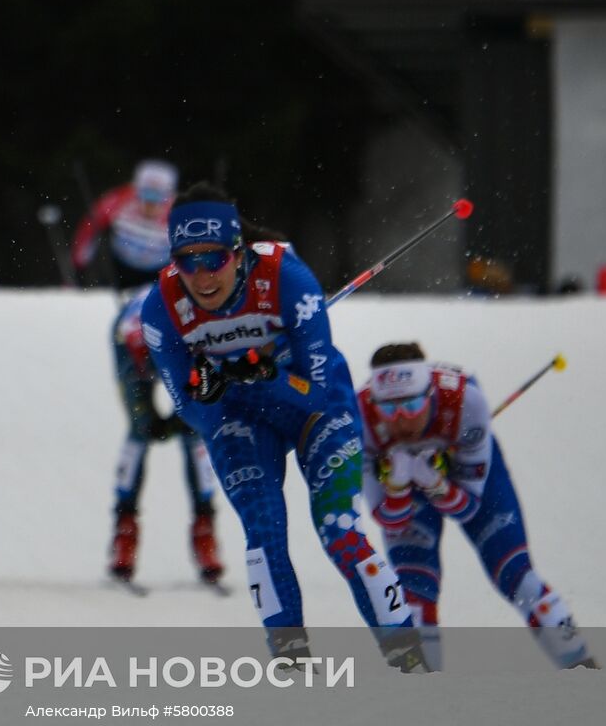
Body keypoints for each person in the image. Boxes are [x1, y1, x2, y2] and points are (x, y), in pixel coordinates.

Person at [140, 182, 422, 666]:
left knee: (340, 529)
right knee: (264, 528)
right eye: (187, 262)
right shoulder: (161, 309)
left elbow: (313, 392)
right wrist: (208, 394)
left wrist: (268, 376)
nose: (202, 277)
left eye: (215, 260)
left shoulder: (288, 280)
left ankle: (408, 655)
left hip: (315, 406)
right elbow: (188, 409)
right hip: (240, 416)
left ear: (238, 251)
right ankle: (291, 659)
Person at [358, 343, 597, 670]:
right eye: (389, 409)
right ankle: (421, 695)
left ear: (429, 394)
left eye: (412, 405)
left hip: (462, 474)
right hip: (408, 484)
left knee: (516, 574)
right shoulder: (360, 418)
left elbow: (469, 508)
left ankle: (582, 667)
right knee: (413, 592)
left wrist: (437, 484)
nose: (401, 421)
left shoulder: (466, 403)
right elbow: (386, 518)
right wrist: (398, 487)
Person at [109, 285, 221, 585]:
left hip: (185, 346)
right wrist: (156, 424)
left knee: (195, 430)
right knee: (140, 429)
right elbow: (145, 421)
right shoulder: (130, 340)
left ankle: (205, 526)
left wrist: (183, 419)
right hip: (131, 344)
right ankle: (124, 528)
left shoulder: (195, 336)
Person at [72, 160, 178, 290]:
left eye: (159, 196)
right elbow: (89, 227)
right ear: (136, 189)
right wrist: (79, 264)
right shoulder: (120, 199)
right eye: (146, 193)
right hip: (121, 269)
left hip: (157, 272)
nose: (151, 202)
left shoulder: (178, 210)